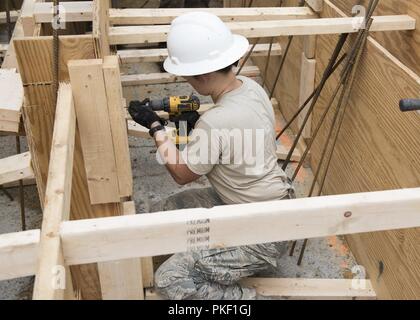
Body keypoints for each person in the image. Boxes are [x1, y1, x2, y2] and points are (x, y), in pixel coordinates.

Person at [129, 12, 294, 300]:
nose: (188, 83)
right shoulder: (251, 88)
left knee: (169, 279)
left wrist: (156, 127)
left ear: (204, 75)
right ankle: (209, 258)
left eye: (188, 77)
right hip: (256, 203)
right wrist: (198, 128)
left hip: (265, 233)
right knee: (162, 215)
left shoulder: (216, 121)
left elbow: (182, 174)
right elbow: (236, 136)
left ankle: (244, 302)